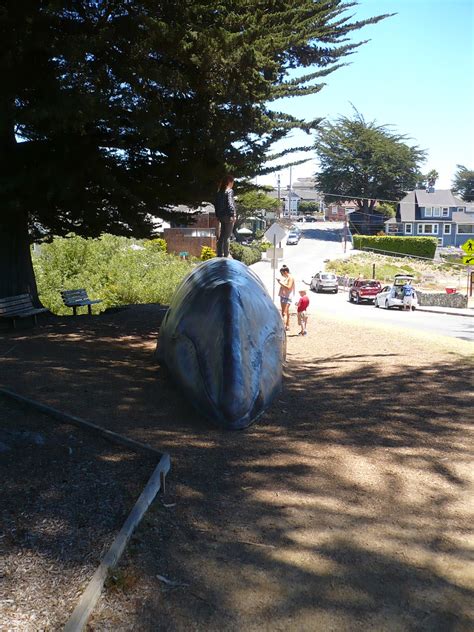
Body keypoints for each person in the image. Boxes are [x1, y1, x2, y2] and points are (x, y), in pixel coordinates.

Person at [214, 175, 236, 257]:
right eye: (232, 182)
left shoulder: (219, 192)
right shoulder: (229, 191)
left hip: (221, 217)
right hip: (228, 216)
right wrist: (233, 214)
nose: (233, 184)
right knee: (227, 236)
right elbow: (230, 203)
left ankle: (219, 254)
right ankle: (226, 255)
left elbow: (216, 204)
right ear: (229, 182)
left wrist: (217, 215)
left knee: (222, 235)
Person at [277, 265, 295, 331]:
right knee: (286, 312)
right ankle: (287, 326)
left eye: (282, 273)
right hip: (283, 296)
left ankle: (283, 327)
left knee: (284, 313)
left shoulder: (290, 278)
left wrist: (280, 283)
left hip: (287, 297)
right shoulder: (286, 277)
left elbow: (289, 287)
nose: (281, 275)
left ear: (285, 272)